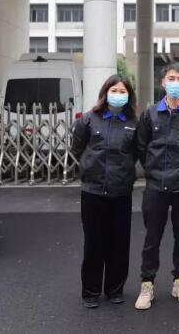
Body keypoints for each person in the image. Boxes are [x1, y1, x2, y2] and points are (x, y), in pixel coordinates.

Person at [134, 62, 179, 310]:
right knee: (151, 238)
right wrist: (153, 171)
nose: (176, 83)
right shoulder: (150, 114)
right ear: (163, 83)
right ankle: (147, 284)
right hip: (156, 185)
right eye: (171, 78)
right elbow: (142, 147)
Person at [71, 74, 138, 309]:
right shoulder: (89, 120)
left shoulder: (134, 123)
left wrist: (125, 172)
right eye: (114, 91)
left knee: (119, 243)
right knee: (94, 243)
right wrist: (90, 168)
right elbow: (77, 148)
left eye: (122, 91)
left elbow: (136, 152)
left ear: (129, 95)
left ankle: (115, 289)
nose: (118, 95)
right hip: (93, 191)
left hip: (121, 192)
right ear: (105, 93)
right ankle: (90, 291)